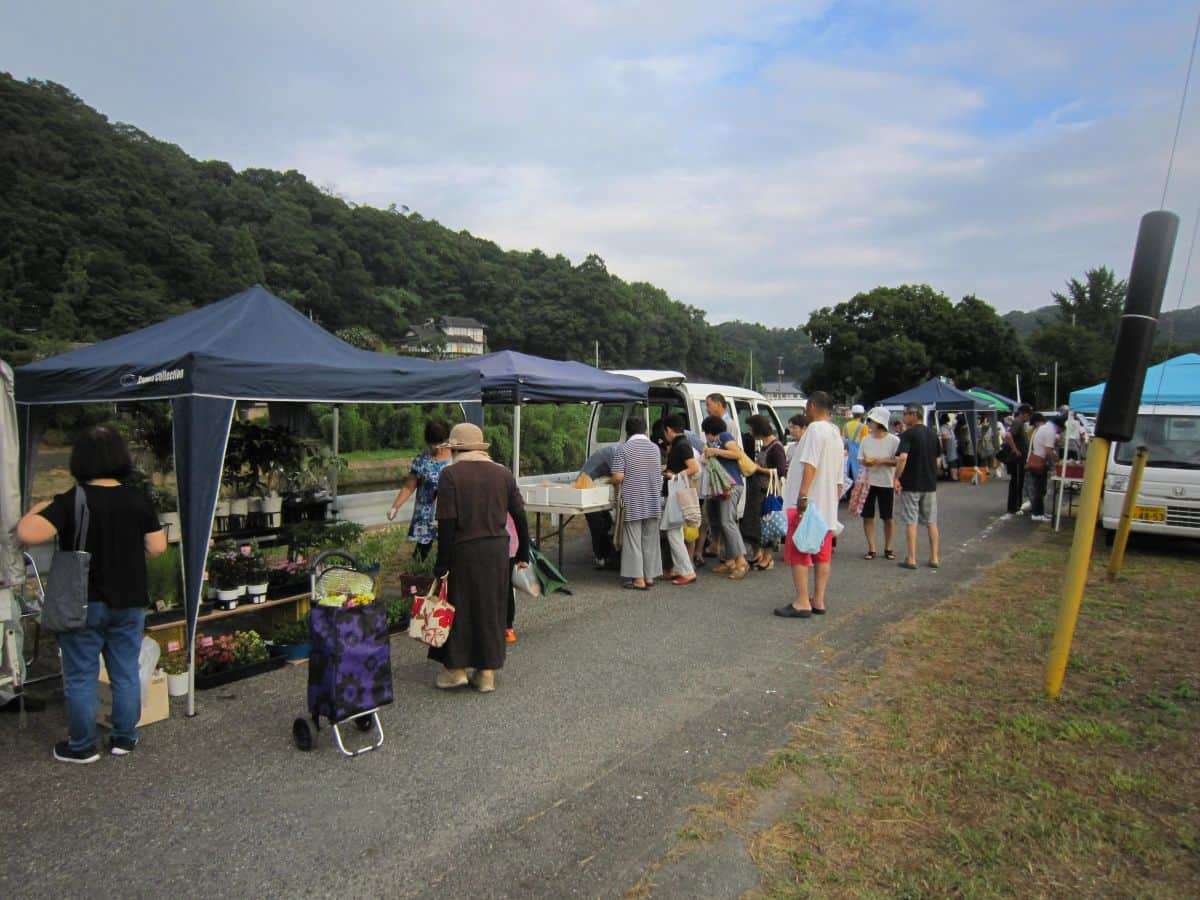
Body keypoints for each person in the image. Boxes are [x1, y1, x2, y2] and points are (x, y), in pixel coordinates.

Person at [16, 426, 167, 763]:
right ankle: (124, 739)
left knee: (81, 675)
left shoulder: (72, 500)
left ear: (79, 460)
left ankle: (82, 746)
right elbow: (157, 547)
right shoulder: (136, 498)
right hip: (128, 601)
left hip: (82, 604)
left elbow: (27, 532)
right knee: (125, 670)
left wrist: (39, 506)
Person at [431, 423, 530, 693]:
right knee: (491, 607)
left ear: (456, 448)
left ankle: (456, 670)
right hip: (497, 550)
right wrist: (524, 550)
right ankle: (486, 673)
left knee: (460, 606)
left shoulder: (450, 475)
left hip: (465, 549)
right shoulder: (503, 473)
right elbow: (520, 514)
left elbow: (447, 523)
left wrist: (442, 563)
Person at [775, 392, 842, 619]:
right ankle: (818, 599)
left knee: (799, 551)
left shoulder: (814, 430)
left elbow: (810, 464)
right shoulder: (835, 432)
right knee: (822, 554)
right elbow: (839, 476)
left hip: (807, 503)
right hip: (827, 505)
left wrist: (802, 496)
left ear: (813, 406)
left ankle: (802, 601)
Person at [387, 419, 452, 560]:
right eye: (433, 444)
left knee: (448, 554)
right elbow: (409, 486)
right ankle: (418, 578)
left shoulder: (456, 458)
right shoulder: (422, 459)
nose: (437, 448)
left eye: (439, 443)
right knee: (420, 555)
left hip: (448, 514)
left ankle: (445, 579)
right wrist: (395, 507)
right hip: (425, 515)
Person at [611, 417, 664, 590]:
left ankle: (638, 579)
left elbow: (618, 477)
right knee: (650, 540)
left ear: (628, 432)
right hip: (653, 499)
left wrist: (610, 480)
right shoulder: (655, 448)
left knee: (633, 540)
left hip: (633, 500)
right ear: (645, 430)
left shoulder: (623, 449)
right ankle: (649, 576)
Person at [701, 415, 751, 580]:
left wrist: (715, 451)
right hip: (720, 487)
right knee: (718, 521)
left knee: (727, 522)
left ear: (710, 431)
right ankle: (729, 560)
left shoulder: (724, 436)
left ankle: (741, 561)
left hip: (731, 485)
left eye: (705, 432)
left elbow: (737, 453)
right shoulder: (712, 442)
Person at [894, 403, 941, 571]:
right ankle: (934, 557)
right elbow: (937, 460)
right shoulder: (933, 434)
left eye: (905, 414)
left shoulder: (908, 435)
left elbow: (902, 458)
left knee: (911, 521)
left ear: (914, 414)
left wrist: (896, 477)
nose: (903, 417)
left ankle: (912, 558)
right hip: (929, 484)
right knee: (931, 521)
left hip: (911, 484)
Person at [744, 414, 788, 570]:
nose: (749, 431)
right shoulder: (764, 445)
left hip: (769, 491)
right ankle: (761, 555)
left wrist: (758, 468)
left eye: (751, 428)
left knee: (768, 523)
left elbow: (781, 471)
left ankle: (768, 558)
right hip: (759, 490)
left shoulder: (776, 447)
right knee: (761, 524)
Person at [660, 415, 699, 586]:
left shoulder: (682, 445)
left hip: (677, 492)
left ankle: (687, 571)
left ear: (669, 430)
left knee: (673, 532)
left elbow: (693, 468)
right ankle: (678, 568)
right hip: (676, 492)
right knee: (676, 532)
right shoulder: (681, 444)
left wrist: (673, 475)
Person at [858, 406, 900, 561]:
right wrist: (867, 463)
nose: (868, 423)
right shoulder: (865, 440)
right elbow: (860, 459)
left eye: (871, 420)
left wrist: (880, 461)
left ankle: (888, 547)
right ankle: (872, 548)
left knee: (887, 517)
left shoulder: (894, 440)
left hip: (886, 482)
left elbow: (898, 460)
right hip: (868, 482)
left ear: (880, 422)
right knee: (867, 516)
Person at [578, 444, 620, 569]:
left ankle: (607, 556)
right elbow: (618, 478)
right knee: (598, 524)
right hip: (585, 487)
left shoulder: (618, 450)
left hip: (596, 488)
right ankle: (601, 558)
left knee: (606, 523)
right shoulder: (616, 454)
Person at [1028, 414, 1062, 522]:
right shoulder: (1050, 430)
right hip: (1040, 461)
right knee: (1040, 489)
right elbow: (1048, 451)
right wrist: (1057, 459)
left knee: (1039, 489)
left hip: (1035, 459)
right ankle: (1037, 513)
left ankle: (1038, 512)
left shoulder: (1042, 428)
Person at [1004, 404, 1032, 513]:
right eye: (1028, 415)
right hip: (1017, 458)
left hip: (1019, 457)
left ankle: (1015, 505)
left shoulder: (1019, 423)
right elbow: (1008, 436)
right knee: (1017, 482)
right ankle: (1014, 506)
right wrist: (1015, 450)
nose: (1029, 418)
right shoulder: (1017, 422)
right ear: (1024, 414)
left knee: (1018, 482)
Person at [843, 404, 869, 482]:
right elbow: (866, 443)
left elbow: (844, 441)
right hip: (860, 457)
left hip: (850, 457)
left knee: (849, 480)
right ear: (862, 414)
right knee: (858, 481)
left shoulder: (846, 425)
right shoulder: (864, 427)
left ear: (853, 414)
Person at [939, 414, 958, 481]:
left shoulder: (943, 427)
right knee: (953, 460)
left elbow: (945, 436)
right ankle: (954, 476)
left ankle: (954, 477)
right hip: (953, 443)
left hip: (949, 443)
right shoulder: (948, 426)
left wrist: (940, 437)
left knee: (951, 460)